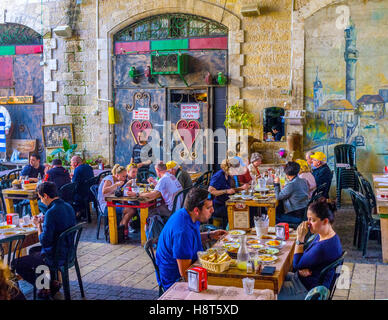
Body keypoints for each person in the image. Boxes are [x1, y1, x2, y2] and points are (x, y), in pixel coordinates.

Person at [156, 187, 227, 290]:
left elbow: (192, 238)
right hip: (175, 280)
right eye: (208, 208)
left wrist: (210, 235)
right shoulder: (183, 232)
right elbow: (186, 273)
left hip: (190, 265)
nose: (213, 210)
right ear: (196, 210)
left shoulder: (188, 214)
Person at [14, 182, 76, 299]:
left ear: (46, 196)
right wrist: (45, 221)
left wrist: (38, 225)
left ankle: (45, 286)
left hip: (57, 255)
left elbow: (44, 241)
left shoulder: (51, 213)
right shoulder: (68, 206)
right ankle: (48, 285)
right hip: (69, 251)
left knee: (16, 263)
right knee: (33, 250)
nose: (41, 201)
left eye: (41, 197)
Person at [277, 199, 342, 300]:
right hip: (303, 279)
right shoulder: (327, 236)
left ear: (325, 221)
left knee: (268, 290)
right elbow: (301, 262)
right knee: (276, 274)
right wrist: (301, 267)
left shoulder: (323, 247)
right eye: (308, 219)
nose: (308, 223)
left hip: (307, 290)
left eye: (312, 220)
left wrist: (300, 239)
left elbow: (296, 264)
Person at [98, 164, 137, 238]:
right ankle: (122, 231)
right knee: (131, 210)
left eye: (125, 176)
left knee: (132, 208)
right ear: (117, 175)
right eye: (123, 176)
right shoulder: (109, 179)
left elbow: (118, 192)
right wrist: (116, 185)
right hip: (105, 206)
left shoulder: (118, 181)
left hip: (113, 203)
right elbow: (104, 191)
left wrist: (126, 184)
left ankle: (120, 231)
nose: (124, 178)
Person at [208, 158, 249, 229]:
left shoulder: (228, 176)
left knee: (245, 208)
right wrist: (225, 191)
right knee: (238, 211)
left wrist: (241, 188)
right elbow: (211, 191)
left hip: (226, 202)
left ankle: (239, 230)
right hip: (217, 206)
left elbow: (231, 190)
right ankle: (230, 232)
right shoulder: (218, 176)